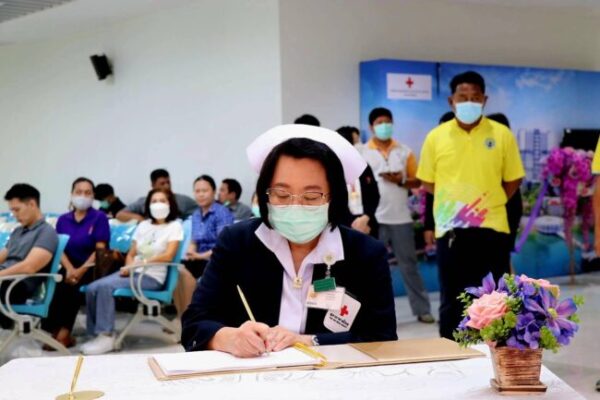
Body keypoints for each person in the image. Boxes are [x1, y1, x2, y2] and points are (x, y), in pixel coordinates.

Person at [182, 125, 397, 356]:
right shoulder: (237, 242)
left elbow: (382, 336)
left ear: (333, 197)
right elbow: (194, 323)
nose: (295, 206)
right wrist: (228, 338)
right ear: (265, 194)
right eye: (282, 194)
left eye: (311, 196)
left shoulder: (365, 254)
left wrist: (309, 341)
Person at [417, 71, 525, 339]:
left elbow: (513, 179)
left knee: (495, 298)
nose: (468, 102)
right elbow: (428, 182)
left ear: (484, 100)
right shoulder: (435, 137)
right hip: (451, 230)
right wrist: (455, 202)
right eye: (462, 97)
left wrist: (491, 201)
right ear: (451, 101)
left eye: (475, 97)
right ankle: (450, 352)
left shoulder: (501, 135)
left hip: (493, 228)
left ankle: (496, 354)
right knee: (452, 298)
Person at [81, 189, 183, 355]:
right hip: (134, 272)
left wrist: (143, 263)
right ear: (148, 205)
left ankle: (106, 336)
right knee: (92, 287)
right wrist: (128, 268)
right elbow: (131, 253)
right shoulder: (143, 225)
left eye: (162, 201)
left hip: (151, 277)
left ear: (170, 204)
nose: (158, 204)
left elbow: (168, 255)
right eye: (154, 201)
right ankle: (95, 334)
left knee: (105, 287)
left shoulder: (174, 226)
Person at [361, 107, 434, 324]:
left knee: (409, 265)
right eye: (379, 123)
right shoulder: (362, 152)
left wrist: (400, 180)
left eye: (387, 122)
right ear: (371, 127)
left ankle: (422, 309)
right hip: (374, 218)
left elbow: (418, 180)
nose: (384, 126)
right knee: (370, 268)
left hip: (401, 217)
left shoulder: (404, 151)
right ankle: (369, 314)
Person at [42, 178, 110, 348]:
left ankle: (64, 333)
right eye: (79, 192)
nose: (83, 196)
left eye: (87, 192)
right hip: (68, 265)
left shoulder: (99, 217)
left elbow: (100, 249)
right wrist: (70, 268)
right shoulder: (63, 220)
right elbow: (59, 248)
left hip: (92, 266)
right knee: (56, 282)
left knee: (73, 286)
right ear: (72, 194)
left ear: (93, 196)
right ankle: (53, 331)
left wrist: (79, 271)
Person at [174, 176, 235, 317]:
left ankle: (189, 317)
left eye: (205, 191)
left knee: (184, 272)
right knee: (174, 271)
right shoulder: (196, 214)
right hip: (199, 259)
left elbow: (223, 245)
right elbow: (194, 241)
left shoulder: (222, 212)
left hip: (217, 260)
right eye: (197, 191)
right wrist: (190, 251)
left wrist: (199, 256)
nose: (201, 194)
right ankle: (181, 316)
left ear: (213, 192)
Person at [0, 184, 58, 328]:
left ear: (32, 204)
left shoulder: (46, 232)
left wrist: (0, 275)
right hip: (4, 279)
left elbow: (29, 267)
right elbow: (3, 255)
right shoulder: (18, 231)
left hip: (17, 284)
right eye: (12, 210)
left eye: (17, 209)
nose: (14, 214)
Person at [336, 126, 380, 237]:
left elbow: (375, 195)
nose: (359, 145)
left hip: (367, 224)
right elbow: (333, 200)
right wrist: (353, 223)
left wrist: (366, 217)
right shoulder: (332, 169)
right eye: (356, 142)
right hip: (342, 225)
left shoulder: (364, 167)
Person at [116, 169, 197, 222]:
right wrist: (142, 220)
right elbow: (120, 214)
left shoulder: (183, 200)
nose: (167, 186)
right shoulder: (144, 202)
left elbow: (200, 212)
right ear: (153, 185)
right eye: (162, 184)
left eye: (168, 182)